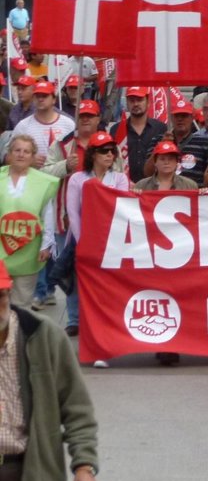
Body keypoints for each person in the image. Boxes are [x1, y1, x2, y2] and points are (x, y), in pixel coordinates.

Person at [0, 260, 99, 481]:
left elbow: (76, 406)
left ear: (9, 292)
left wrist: (84, 465)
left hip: (32, 476)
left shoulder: (43, 335)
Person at [62, 132, 129, 342]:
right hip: (82, 238)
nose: (109, 155)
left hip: (111, 241)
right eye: (103, 151)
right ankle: (75, 321)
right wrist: (83, 242)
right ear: (92, 154)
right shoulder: (77, 179)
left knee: (107, 285)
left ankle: (106, 323)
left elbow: (121, 209)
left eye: (112, 151)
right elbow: (73, 212)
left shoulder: (120, 178)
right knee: (77, 283)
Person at [0, 135, 57, 308]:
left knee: (21, 305)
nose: (21, 155)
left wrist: (46, 245)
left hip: (29, 251)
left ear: (33, 156)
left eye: (26, 151)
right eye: (17, 150)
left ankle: (17, 326)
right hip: (0, 250)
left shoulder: (44, 182)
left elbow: (48, 215)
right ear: (9, 154)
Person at [14, 81, 75, 168]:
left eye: (44, 96)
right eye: (37, 96)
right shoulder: (23, 126)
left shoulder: (69, 124)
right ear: (33, 99)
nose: (40, 99)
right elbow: (9, 155)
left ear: (54, 99)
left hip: (63, 173)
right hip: (34, 174)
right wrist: (29, 160)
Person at [112, 86, 167, 177]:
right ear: (127, 103)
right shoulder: (116, 129)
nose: (136, 104)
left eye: (140, 100)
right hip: (124, 183)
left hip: (154, 183)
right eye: (132, 100)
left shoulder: (160, 128)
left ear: (148, 102)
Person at [158, 98, 208, 185]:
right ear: (171, 118)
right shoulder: (158, 139)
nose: (180, 119)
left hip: (194, 191)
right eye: (177, 116)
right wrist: (161, 146)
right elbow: (147, 172)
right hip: (165, 191)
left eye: (184, 116)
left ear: (192, 118)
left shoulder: (205, 142)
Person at [135, 141, 200, 192]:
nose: (166, 162)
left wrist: (203, 194)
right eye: (162, 159)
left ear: (177, 162)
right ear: (155, 162)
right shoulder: (141, 185)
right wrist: (134, 196)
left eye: (171, 159)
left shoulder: (190, 185)